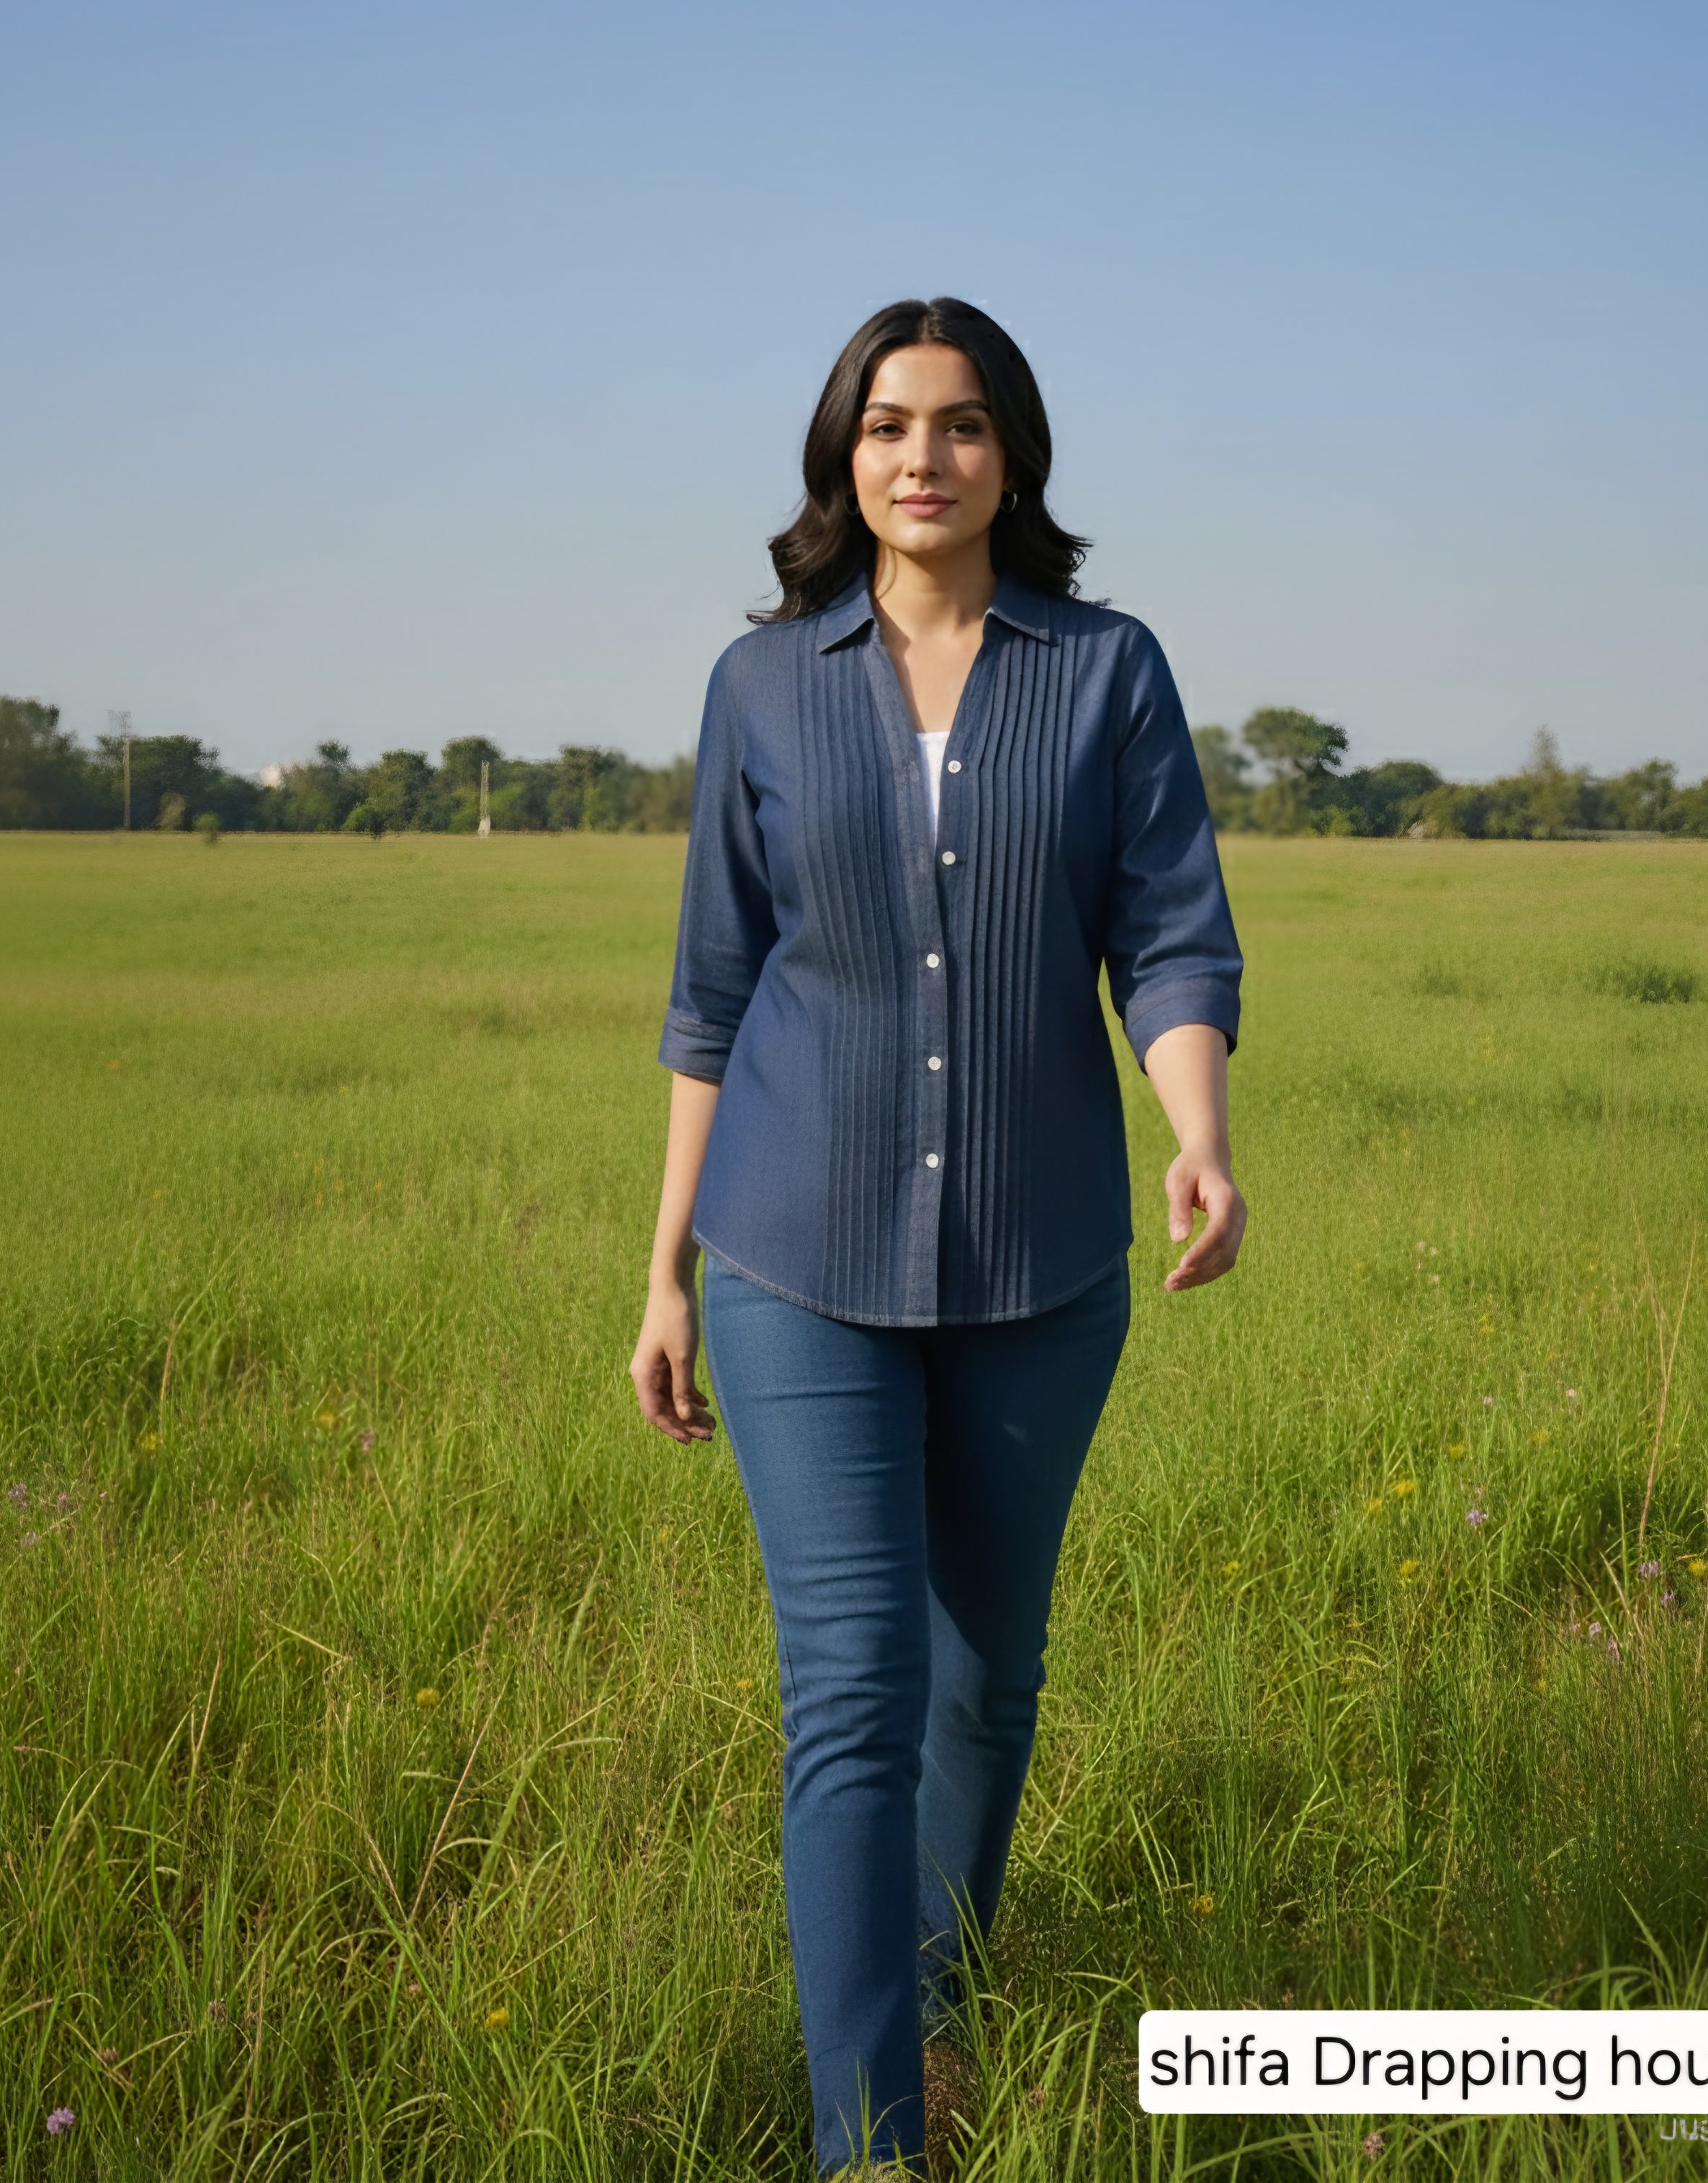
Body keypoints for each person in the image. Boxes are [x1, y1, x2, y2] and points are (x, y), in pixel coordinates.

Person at [630, 297, 1244, 2175]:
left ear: (1013, 456)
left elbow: (1170, 927)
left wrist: (1199, 1130)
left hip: (1040, 1264)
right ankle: (871, 2140)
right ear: (843, 457)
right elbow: (712, 984)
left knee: (989, 1676)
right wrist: (666, 1265)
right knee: (857, 1693)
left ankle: (941, 1996)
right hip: (792, 1261)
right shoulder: (765, 685)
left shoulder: (1106, 667)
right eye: (889, 425)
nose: (924, 457)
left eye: (962, 425)